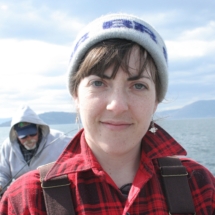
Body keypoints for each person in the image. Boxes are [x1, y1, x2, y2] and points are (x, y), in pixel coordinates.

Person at [0, 13, 215, 214]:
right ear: (76, 95)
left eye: (138, 85)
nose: (117, 105)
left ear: (156, 100)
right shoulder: (26, 200)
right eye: (98, 83)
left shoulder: (197, 185)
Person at [0, 105, 71, 194]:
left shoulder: (61, 139)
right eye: (23, 136)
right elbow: (3, 173)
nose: (29, 139)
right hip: (22, 194)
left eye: (32, 134)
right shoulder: (7, 146)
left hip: (54, 192)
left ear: (38, 128)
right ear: (16, 134)